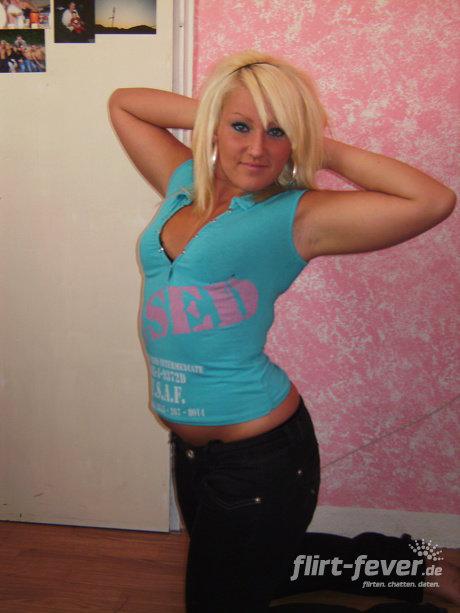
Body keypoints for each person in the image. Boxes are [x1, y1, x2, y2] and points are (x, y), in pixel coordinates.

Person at [108, 50, 457, 613]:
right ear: (214, 126)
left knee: (224, 593)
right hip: (194, 454)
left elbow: (434, 200)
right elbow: (125, 104)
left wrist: (316, 144)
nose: (257, 148)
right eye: (240, 127)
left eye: (277, 132)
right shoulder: (183, 181)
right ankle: (412, 565)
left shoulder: (298, 215)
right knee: (259, 569)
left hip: (260, 455)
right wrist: (219, 111)